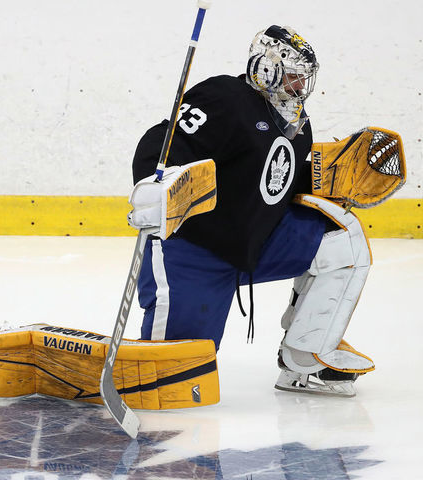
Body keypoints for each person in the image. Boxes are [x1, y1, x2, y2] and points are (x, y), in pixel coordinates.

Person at [129, 25, 375, 396]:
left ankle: (305, 362)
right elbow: (162, 145)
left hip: (256, 244)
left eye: (303, 79)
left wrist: (331, 181)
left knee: (341, 240)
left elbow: (273, 182)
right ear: (266, 69)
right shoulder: (225, 98)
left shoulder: (299, 125)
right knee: (172, 384)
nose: (299, 88)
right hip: (194, 254)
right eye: (293, 77)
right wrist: (152, 183)